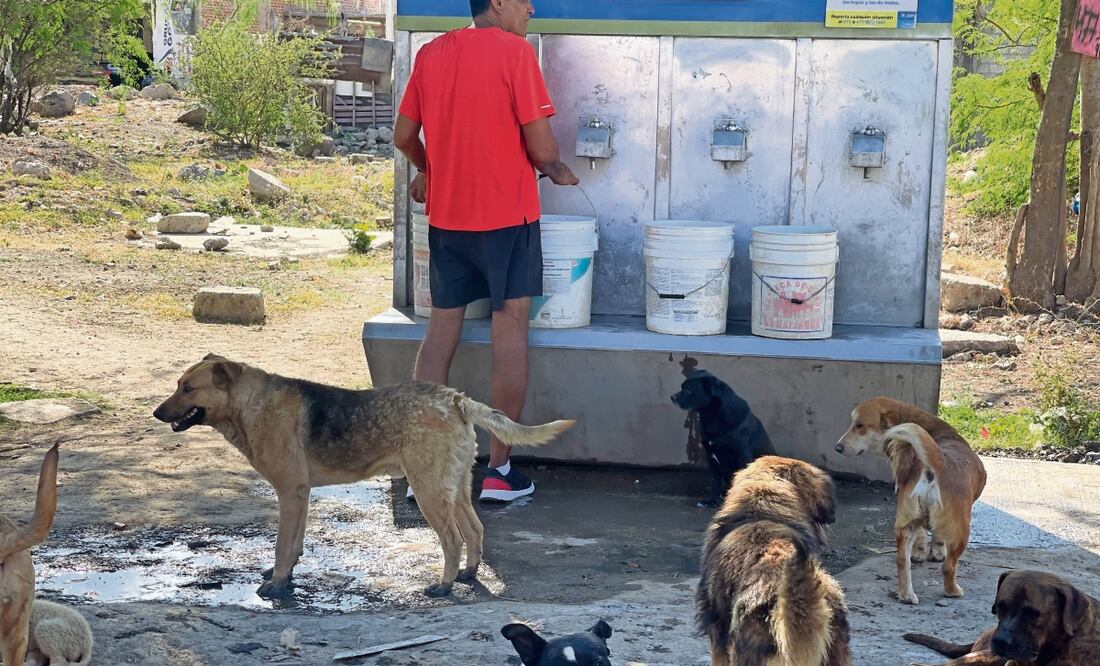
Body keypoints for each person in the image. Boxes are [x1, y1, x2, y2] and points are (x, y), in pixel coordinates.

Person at [393, 0, 578, 502]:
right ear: (497, 2)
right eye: (523, 0)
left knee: (441, 332)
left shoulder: (431, 54)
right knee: (509, 331)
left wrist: (429, 170)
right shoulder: (515, 53)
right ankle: (499, 471)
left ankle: (424, 469)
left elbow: (403, 135)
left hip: (447, 220)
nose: (531, 8)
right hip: (507, 220)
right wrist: (557, 169)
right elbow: (542, 149)